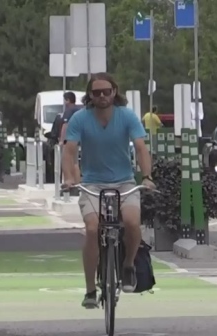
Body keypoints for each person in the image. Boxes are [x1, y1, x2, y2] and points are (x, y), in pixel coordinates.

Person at [62, 72, 155, 309]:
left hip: (124, 182)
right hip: (92, 184)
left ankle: (128, 265)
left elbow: (141, 147)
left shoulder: (127, 116)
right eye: (96, 93)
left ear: (114, 92)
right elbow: (69, 151)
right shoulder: (80, 119)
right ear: (89, 95)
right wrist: (70, 179)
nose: (102, 96)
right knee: (92, 228)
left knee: (132, 222)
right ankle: (91, 289)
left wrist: (146, 177)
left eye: (106, 91)